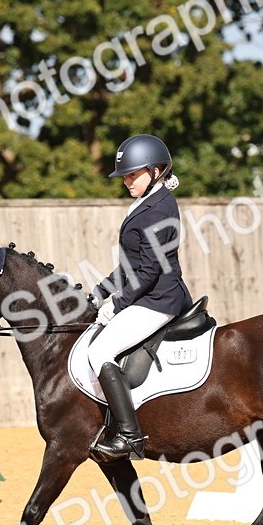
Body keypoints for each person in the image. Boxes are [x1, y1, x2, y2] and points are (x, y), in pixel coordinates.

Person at [88, 134, 193, 461]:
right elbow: (130, 265)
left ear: (157, 170)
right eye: (125, 176)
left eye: (133, 174)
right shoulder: (149, 202)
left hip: (159, 299)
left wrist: (115, 306)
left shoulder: (158, 208)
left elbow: (147, 272)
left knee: (100, 351)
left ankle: (129, 437)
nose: (127, 181)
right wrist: (99, 292)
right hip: (151, 292)